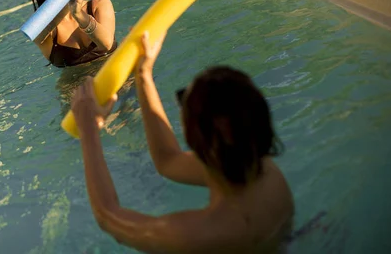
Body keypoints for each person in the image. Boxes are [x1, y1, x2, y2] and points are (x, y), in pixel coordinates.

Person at [71, 31, 294, 253]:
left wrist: (88, 128)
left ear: (194, 138)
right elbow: (168, 161)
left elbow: (108, 217)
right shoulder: (265, 170)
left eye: (183, 97)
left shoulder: (194, 234)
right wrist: (143, 74)